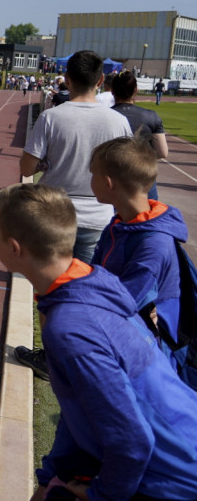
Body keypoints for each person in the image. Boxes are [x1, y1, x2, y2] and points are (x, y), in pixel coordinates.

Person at [0, 183, 197, 501]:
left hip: (172, 476)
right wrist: (52, 474)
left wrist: (102, 495)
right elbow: (82, 405)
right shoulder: (93, 280)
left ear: (14, 248)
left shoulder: (70, 330)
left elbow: (132, 440)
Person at [16, 50, 133, 379]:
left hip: (54, 213)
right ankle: (81, 356)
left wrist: (46, 163)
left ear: (66, 79)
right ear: (101, 81)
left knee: (50, 289)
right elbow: (125, 172)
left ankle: (51, 357)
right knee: (83, 289)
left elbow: (26, 166)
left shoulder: (53, 117)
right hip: (98, 217)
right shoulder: (117, 121)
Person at [90, 137, 186, 370]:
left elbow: (124, 304)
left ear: (108, 183)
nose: (90, 181)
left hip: (142, 354)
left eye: (92, 175)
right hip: (119, 339)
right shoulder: (121, 223)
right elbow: (95, 273)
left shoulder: (154, 246)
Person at [110, 70, 169, 199]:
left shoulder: (103, 115)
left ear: (112, 91)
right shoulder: (151, 116)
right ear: (136, 90)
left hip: (111, 176)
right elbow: (162, 152)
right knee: (146, 216)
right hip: (142, 177)